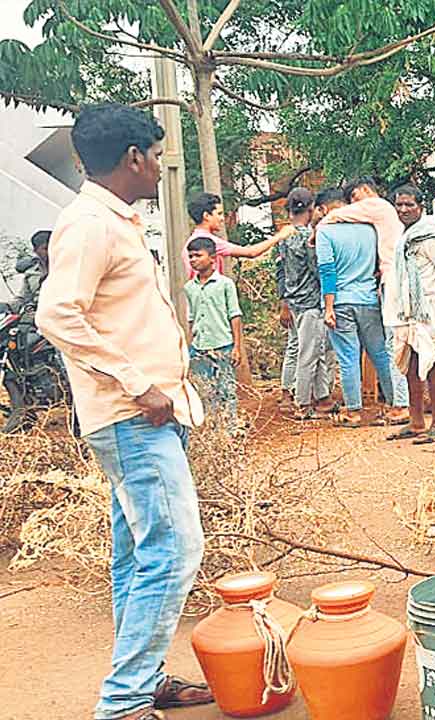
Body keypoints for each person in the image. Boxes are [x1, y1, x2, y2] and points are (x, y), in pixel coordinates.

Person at [36, 102, 213, 720]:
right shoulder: (90, 224)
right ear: (134, 158)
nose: (161, 168)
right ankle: (124, 702)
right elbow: (57, 315)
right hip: (133, 416)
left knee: (138, 551)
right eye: (158, 157)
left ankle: (144, 678)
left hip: (146, 414)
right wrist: (139, 384)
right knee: (174, 548)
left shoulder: (116, 220)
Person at [319, 177, 410, 423]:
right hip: (370, 297)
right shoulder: (369, 229)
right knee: (381, 352)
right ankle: (394, 401)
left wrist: (328, 307)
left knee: (348, 356)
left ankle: (354, 409)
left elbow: (327, 272)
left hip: (341, 301)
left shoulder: (327, 230)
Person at [385, 185, 435, 445]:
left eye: (409, 205)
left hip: (428, 311)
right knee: (411, 365)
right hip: (407, 312)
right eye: (399, 205)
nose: (403, 209)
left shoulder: (428, 239)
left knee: (432, 364)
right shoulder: (405, 237)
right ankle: (416, 422)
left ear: (421, 208)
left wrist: (424, 286)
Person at [276, 187, 334, 420]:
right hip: (311, 301)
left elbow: (280, 271)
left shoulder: (284, 236)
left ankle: (323, 397)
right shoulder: (308, 238)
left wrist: (284, 301)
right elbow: (316, 269)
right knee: (309, 354)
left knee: (311, 349)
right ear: (311, 209)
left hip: (294, 300)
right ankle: (302, 403)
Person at [184, 236, 244, 428]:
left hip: (222, 344)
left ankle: (230, 429)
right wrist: (189, 346)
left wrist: (237, 346)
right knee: (204, 390)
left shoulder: (225, 284)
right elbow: (191, 319)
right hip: (200, 346)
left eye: (198, 255)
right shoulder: (189, 288)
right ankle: (212, 429)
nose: (193, 260)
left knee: (226, 389)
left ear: (212, 258)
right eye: (190, 256)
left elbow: (235, 315)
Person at [180, 191, 289, 278]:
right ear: (206, 216)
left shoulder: (190, 242)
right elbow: (251, 252)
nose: (222, 219)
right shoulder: (209, 241)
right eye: (219, 214)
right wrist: (279, 236)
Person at [19, 230, 50, 306]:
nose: (50, 251)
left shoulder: (66, 269)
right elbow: (22, 298)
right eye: (45, 248)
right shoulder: (30, 273)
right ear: (35, 251)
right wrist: (7, 306)